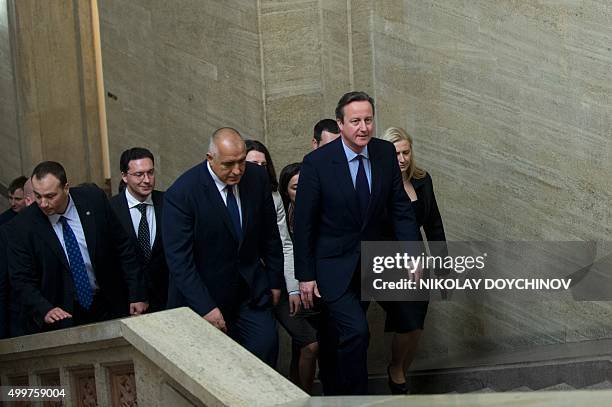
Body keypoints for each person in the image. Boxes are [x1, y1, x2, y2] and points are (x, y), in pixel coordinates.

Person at [293, 91, 421, 395]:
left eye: (368, 120)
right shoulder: (317, 163)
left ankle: (337, 395)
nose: (363, 127)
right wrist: (306, 275)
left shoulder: (384, 153)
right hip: (331, 267)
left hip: (371, 264)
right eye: (355, 121)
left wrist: (412, 253)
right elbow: (304, 224)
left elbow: (400, 209)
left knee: (343, 335)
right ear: (340, 124)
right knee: (356, 332)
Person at [163, 128, 283, 367]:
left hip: (251, 293)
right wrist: (206, 307)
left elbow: (270, 236)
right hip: (206, 297)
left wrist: (275, 281)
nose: (237, 170)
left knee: (266, 348)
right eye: (229, 164)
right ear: (210, 158)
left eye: (241, 162)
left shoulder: (257, 179)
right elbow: (180, 261)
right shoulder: (182, 193)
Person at [8, 161, 148, 334]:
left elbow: (123, 248)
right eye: (38, 196)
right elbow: (21, 280)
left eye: (50, 196)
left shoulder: (93, 200)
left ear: (66, 188)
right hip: (62, 313)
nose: (43, 203)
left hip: (109, 301)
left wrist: (137, 293)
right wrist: (44, 309)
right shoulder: (23, 226)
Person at [246, 141, 319, 392]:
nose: (258, 169)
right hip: (244, 286)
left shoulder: (274, 196)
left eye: (263, 164)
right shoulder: (230, 193)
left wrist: (292, 288)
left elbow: (283, 244)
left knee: (308, 343)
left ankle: (302, 396)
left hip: (278, 283)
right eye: (251, 164)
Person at [381, 126, 447, 394]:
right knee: (407, 322)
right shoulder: (377, 184)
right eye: (396, 153)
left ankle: (401, 375)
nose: (402, 159)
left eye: (406, 152)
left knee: (416, 327)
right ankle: (396, 370)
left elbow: (433, 224)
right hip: (386, 263)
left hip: (418, 263)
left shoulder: (422, 179)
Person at [110, 148, 169, 312]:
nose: (147, 180)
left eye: (150, 173)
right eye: (139, 174)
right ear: (124, 176)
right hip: (128, 302)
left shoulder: (168, 203)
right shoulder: (110, 209)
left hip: (167, 299)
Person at [0, 178, 35, 338]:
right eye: (10, 198)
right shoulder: (6, 229)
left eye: (17, 199)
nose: (13, 203)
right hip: (20, 313)